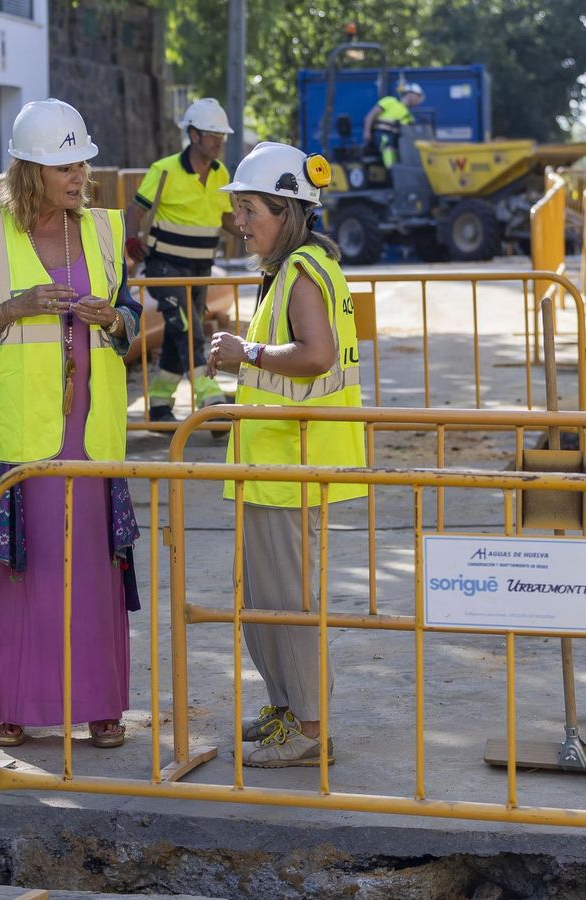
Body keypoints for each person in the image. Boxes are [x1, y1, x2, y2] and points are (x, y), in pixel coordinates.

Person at [0, 99, 142, 749]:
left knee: (94, 578)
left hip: (92, 438)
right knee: (20, 578)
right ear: (30, 172)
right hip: (18, 441)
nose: (80, 175)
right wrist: (15, 308)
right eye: (65, 166)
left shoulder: (106, 232)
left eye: (82, 163)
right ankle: (14, 706)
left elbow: (134, 316)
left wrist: (113, 319)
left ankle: (103, 706)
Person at [205, 142, 366, 768]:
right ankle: (286, 709)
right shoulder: (301, 267)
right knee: (266, 603)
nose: (240, 222)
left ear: (287, 210)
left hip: (289, 464)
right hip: (276, 462)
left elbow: (316, 355)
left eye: (250, 210)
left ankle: (309, 729)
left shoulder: (301, 272)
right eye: (239, 209)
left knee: (287, 605)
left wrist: (245, 353)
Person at [123, 97, 242, 422]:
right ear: (194, 135)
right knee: (188, 329)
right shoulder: (164, 170)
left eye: (222, 136)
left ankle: (160, 403)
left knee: (179, 333)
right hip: (165, 268)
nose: (219, 141)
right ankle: (210, 397)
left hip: (200, 270)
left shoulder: (220, 173)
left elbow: (226, 218)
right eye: (213, 135)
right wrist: (132, 239)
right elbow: (135, 211)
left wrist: (255, 235)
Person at [361, 82, 424, 168]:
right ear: (410, 94)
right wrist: (367, 131)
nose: (418, 101)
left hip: (396, 139)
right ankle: (391, 169)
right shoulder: (390, 101)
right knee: (387, 144)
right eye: (417, 97)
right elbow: (370, 116)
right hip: (380, 135)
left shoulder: (409, 116)